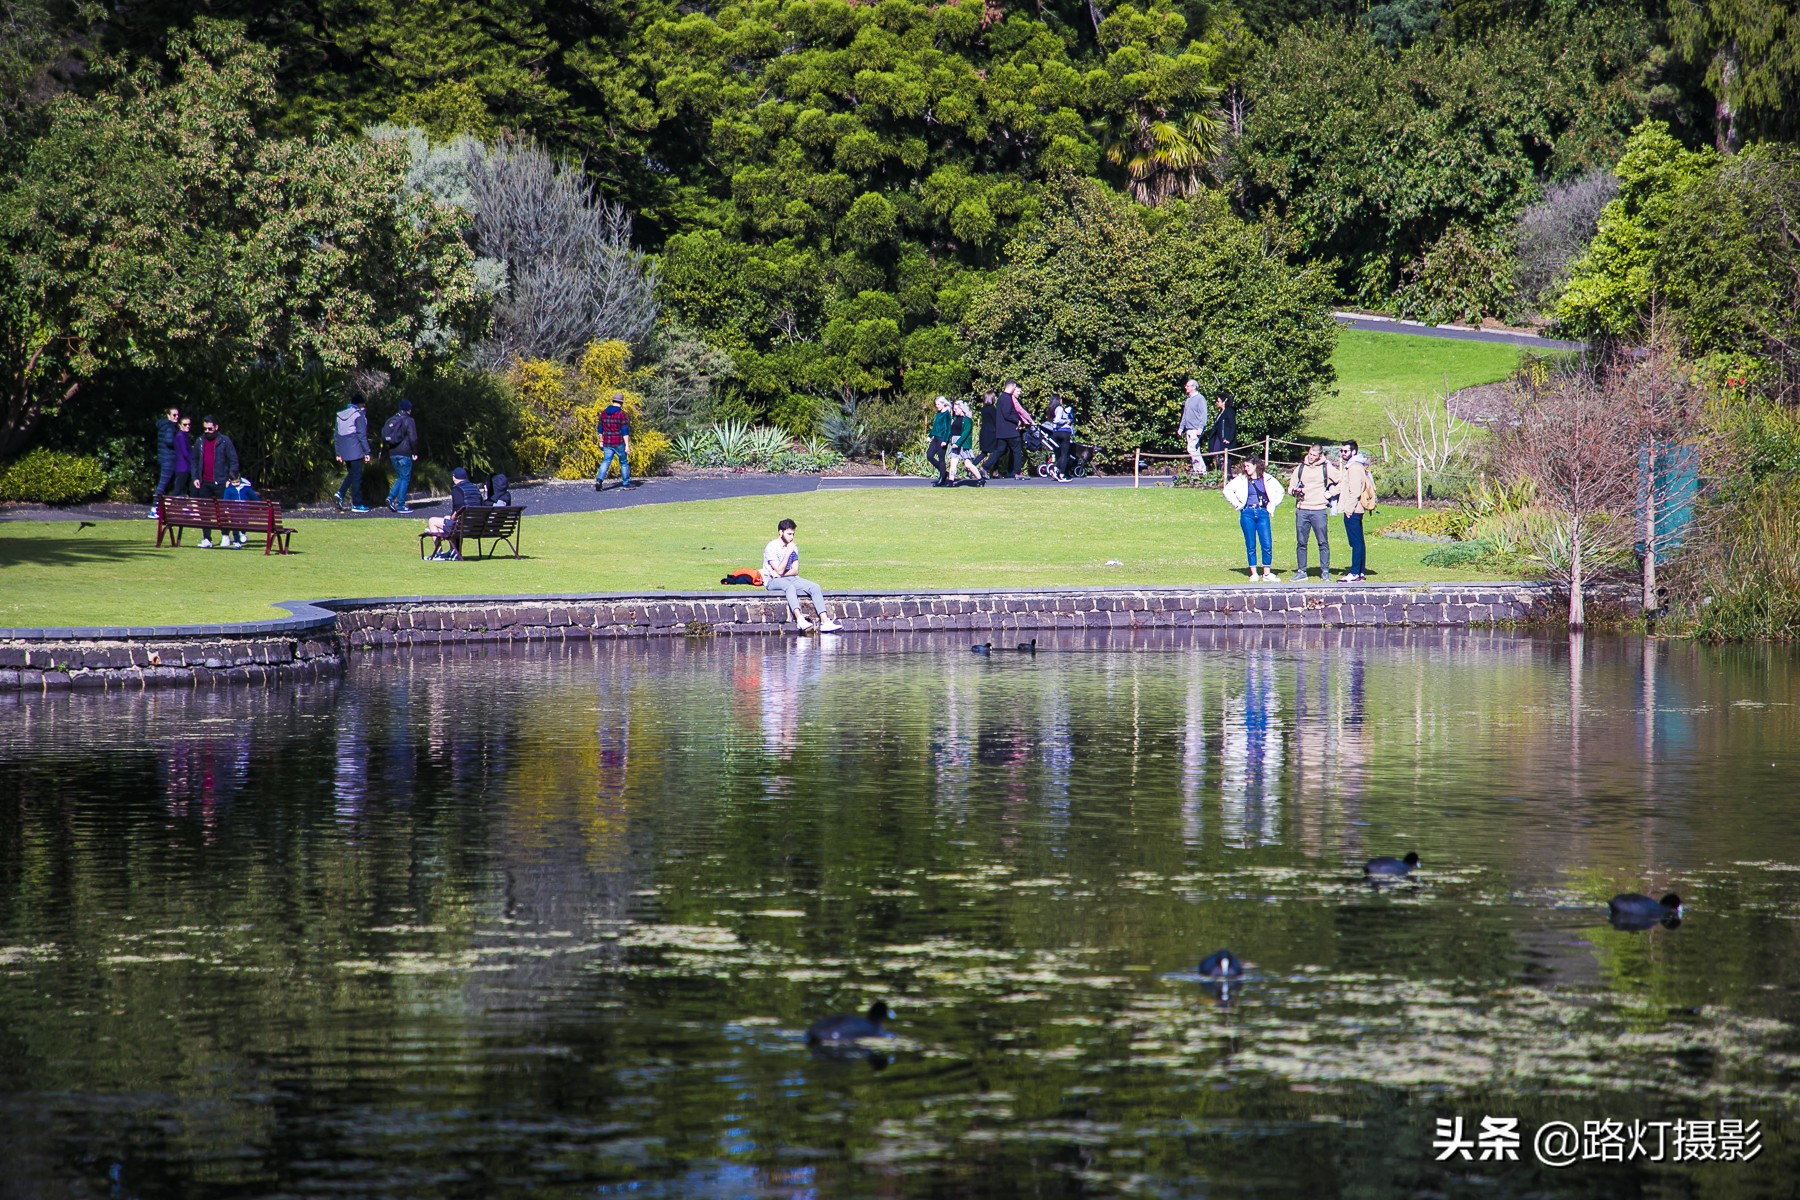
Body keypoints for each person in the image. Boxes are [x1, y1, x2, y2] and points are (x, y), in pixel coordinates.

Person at [763, 517, 842, 633]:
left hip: (788, 578)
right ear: (780, 532)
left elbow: (794, 570)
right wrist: (787, 553)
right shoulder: (771, 547)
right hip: (771, 581)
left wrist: (781, 574)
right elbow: (778, 570)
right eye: (789, 534)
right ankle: (800, 619)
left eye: (793, 534)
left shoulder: (793, 548)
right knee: (789, 587)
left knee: (815, 587)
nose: (792, 537)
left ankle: (825, 622)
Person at [1223, 458, 1285, 581]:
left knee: (1266, 543)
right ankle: (1254, 572)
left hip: (1262, 512)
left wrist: (1271, 505)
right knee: (1250, 544)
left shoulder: (1267, 478)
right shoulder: (1242, 479)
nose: (1246, 469)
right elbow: (1227, 490)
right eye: (1245, 466)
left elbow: (1280, 491)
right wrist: (1238, 504)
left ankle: (1266, 573)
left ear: (1255, 465)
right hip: (1247, 513)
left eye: (1248, 466)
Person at [1287, 444, 1341, 582]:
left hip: (1319, 510)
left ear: (1320, 455)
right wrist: (1295, 492)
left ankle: (1325, 571)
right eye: (1309, 454)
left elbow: (1342, 481)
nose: (1310, 457)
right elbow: (1290, 487)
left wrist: (1330, 493)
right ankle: (1301, 571)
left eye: (1313, 455)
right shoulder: (1300, 468)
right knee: (1301, 542)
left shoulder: (1326, 467)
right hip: (1302, 509)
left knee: (1322, 542)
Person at [190, 416, 240, 549]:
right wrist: (195, 477)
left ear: (216, 427)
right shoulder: (200, 440)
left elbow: (234, 460)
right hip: (204, 481)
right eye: (205, 428)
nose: (207, 431)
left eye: (210, 428)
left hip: (221, 481)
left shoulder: (224, 441)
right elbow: (194, 460)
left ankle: (225, 535)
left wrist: (230, 478)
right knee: (205, 511)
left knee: (223, 510)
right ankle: (207, 538)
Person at [425, 467, 488, 561]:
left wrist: (452, 517)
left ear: (454, 477)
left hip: (463, 526)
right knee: (449, 519)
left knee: (432, 520)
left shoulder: (457, 489)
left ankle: (438, 552)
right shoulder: (475, 488)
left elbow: (458, 510)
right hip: (475, 526)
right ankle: (454, 551)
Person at [1338, 441, 1377, 583]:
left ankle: (1355, 572)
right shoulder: (1356, 466)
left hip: (1353, 509)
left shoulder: (1354, 467)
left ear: (1353, 452)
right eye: (1341, 451)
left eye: (1345, 451)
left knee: (1355, 542)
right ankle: (1360, 572)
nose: (1343, 454)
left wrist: (1348, 509)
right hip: (1355, 509)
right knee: (1359, 541)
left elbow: (1354, 491)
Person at [981, 381, 1029, 480]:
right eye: (1015, 388)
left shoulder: (1000, 399)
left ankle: (985, 467)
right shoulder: (1007, 398)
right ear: (1011, 387)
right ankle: (1017, 472)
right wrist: (1018, 421)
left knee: (999, 450)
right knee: (1016, 451)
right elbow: (1007, 414)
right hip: (1010, 431)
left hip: (1002, 431)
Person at [333, 393, 372, 513]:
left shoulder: (340, 416)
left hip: (345, 451)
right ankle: (357, 504)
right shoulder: (358, 415)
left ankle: (340, 493)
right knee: (357, 478)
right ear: (359, 404)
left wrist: (338, 452)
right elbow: (361, 435)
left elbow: (336, 435)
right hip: (356, 450)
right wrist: (367, 452)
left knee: (352, 474)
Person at [382, 398, 419, 514]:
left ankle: (391, 498)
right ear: (409, 409)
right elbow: (413, 438)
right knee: (405, 478)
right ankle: (401, 505)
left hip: (393, 452)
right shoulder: (409, 420)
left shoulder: (392, 419)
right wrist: (415, 452)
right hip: (405, 453)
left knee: (400, 477)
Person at [149, 407, 182, 518]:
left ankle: (162, 508)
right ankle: (154, 509)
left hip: (164, 458)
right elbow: (169, 441)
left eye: (177, 415)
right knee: (163, 485)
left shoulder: (163, 426)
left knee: (173, 483)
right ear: (168, 415)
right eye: (174, 415)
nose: (176, 417)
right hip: (169, 459)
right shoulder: (170, 427)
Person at [595, 392, 631, 491]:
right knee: (623, 462)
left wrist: (601, 440)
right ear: (621, 402)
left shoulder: (604, 412)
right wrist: (627, 445)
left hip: (607, 441)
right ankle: (626, 483)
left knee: (606, 461)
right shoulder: (621, 413)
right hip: (618, 442)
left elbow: (600, 429)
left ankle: (599, 480)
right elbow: (624, 430)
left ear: (613, 401)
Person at [947, 400, 985, 486]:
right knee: (953, 463)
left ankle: (980, 479)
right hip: (954, 442)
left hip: (963, 444)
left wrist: (958, 443)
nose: (954, 410)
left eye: (956, 409)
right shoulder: (956, 419)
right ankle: (950, 481)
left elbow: (965, 433)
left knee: (968, 464)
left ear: (962, 408)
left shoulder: (967, 420)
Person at [1178, 379, 1209, 473]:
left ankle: (1202, 470)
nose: (1186, 388)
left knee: (1191, 449)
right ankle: (1197, 470)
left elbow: (1203, 414)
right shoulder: (1188, 400)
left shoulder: (1200, 398)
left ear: (1194, 387)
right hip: (1188, 429)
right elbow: (1185, 415)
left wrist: (1200, 427)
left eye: (1188, 386)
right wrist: (1181, 427)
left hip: (1195, 429)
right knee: (1195, 450)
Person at [221, 473, 259, 548]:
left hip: (245, 509)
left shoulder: (246, 488)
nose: (235, 484)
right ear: (230, 481)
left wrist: (258, 504)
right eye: (234, 482)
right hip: (234, 510)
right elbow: (226, 500)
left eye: (237, 482)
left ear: (240, 480)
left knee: (244, 522)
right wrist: (226, 508)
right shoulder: (229, 489)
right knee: (235, 526)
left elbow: (254, 497)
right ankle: (236, 541)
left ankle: (243, 532)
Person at [1205, 393, 1238, 472]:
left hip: (1226, 439)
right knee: (1215, 454)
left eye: (1218, 401)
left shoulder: (1229, 411)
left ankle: (1227, 475)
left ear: (1224, 401)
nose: (1217, 403)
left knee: (1227, 457)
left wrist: (1229, 438)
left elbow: (1232, 426)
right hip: (1218, 438)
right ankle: (1221, 472)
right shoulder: (1220, 413)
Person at [1045, 396, 1075, 480]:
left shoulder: (1052, 409)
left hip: (1056, 432)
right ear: (1058, 400)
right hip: (1064, 431)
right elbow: (1057, 420)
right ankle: (1061, 474)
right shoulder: (1060, 408)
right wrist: (1066, 421)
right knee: (1064, 454)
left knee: (1058, 453)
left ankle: (1055, 469)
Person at [927, 396, 953, 486]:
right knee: (929, 456)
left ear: (943, 404)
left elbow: (948, 429)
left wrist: (945, 440)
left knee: (941, 459)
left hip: (942, 438)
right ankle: (944, 473)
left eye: (938, 404)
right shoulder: (938, 414)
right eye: (936, 404)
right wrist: (930, 436)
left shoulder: (947, 415)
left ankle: (942, 478)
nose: (936, 406)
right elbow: (934, 427)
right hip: (936, 438)